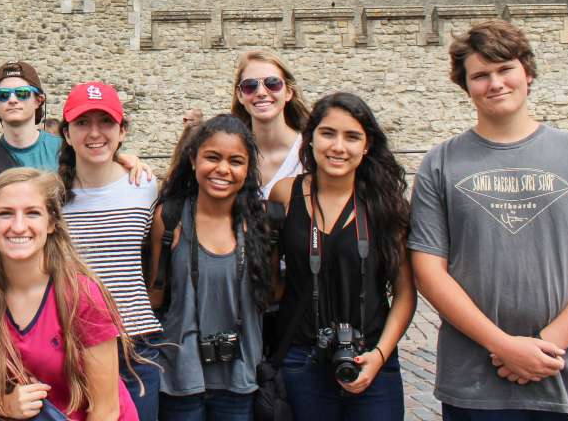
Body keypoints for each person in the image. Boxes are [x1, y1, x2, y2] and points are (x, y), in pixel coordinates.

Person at [409, 20, 568, 420]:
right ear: (466, 86)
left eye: (505, 69)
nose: (495, 83)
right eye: (480, 75)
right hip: (475, 382)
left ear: (528, 72)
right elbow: (429, 269)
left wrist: (546, 345)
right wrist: (503, 345)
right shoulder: (441, 163)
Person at [0, 168, 138, 420]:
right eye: (5, 214)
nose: (18, 226)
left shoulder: (82, 296)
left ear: (51, 224)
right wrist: (5, 404)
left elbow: (106, 409)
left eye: (32, 213)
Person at [269, 93, 415, 421]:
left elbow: (405, 292)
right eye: (328, 133)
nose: (338, 147)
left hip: (371, 357)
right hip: (302, 358)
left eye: (352, 137)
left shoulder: (385, 206)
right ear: (310, 139)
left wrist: (380, 354)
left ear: (366, 146)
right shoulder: (285, 194)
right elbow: (273, 282)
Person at [149, 115, 273, 420]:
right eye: (212, 157)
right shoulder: (170, 218)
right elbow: (154, 295)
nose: (223, 169)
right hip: (179, 374)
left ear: (248, 169)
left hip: (239, 376)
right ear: (193, 159)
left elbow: (271, 293)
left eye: (236, 161)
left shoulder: (261, 222)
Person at [57, 81, 162, 420]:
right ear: (67, 133)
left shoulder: (145, 186)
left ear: (122, 131)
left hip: (135, 345)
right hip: (72, 345)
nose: (95, 133)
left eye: (105, 122)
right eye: (83, 123)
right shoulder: (52, 196)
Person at [0, 61, 150, 187]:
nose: (12, 100)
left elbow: (100, 163)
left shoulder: (65, 149)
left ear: (39, 100)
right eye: (3, 94)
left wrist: (122, 159)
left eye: (22, 93)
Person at [230, 51, 310, 200]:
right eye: (250, 85)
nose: (261, 92)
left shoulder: (310, 155)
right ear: (240, 95)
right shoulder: (228, 156)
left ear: (288, 92)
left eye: (273, 83)